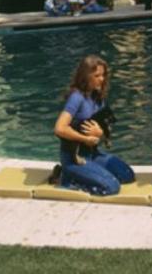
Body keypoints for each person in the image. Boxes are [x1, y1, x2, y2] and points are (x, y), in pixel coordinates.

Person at [52, 55, 134, 195]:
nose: (102, 79)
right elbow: (59, 128)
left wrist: (100, 133)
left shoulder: (98, 97)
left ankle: (86, 173)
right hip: (74, 158)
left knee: (127, 175)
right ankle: (65, 177)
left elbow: (106, 138)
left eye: (103, 75)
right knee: (112, 187)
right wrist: (84, 139)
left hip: (93, 154)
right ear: (85, 76)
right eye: (97, 75)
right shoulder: (76, 97)